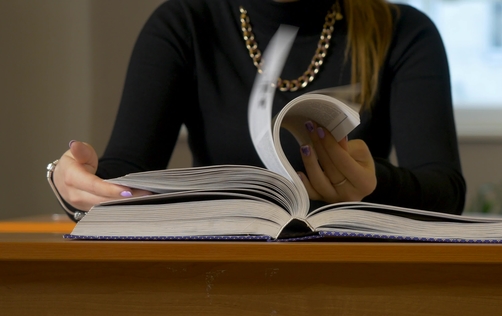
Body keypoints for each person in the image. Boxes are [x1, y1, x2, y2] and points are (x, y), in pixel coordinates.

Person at [48, 0, 466, 221]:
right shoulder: (183, 23)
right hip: (214, 276)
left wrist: (375, 182)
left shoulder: (403, 31)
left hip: (355, 278)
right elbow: (124, 179)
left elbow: (445, 190)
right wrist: (74, 182)